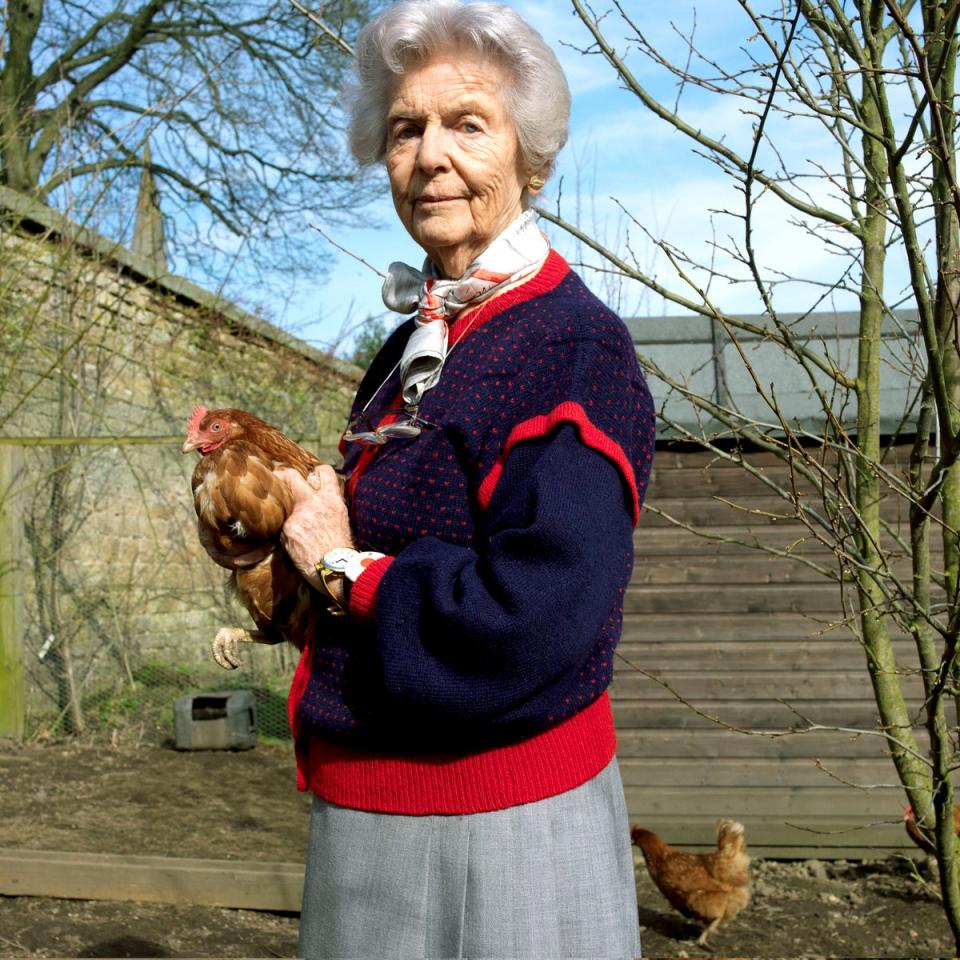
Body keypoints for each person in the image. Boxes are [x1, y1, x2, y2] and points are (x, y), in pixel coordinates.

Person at [278, 1, 655, 957]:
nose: (431, 154)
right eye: (406, 128)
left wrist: (341, 570)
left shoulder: (570, 345)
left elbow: (535, 610)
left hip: (500, 821)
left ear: (529, 156)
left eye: (467, 124)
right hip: (370, 812)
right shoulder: (412, 343)